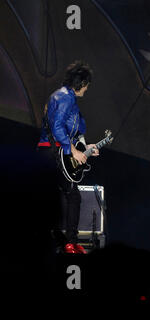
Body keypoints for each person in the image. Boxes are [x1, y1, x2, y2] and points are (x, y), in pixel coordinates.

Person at [37, 61, 99, 254]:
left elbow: (71, 130)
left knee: (62, 196)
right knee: (71, 196)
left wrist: (85, 147)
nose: (87, 89)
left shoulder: (65, 97)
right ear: (81, 83)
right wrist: (73, 151)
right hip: (52, 151)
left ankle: (63, 240)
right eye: (87, 85)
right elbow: (56, 129)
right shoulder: (66, 98)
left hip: (54, 150)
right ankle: (68, 242)